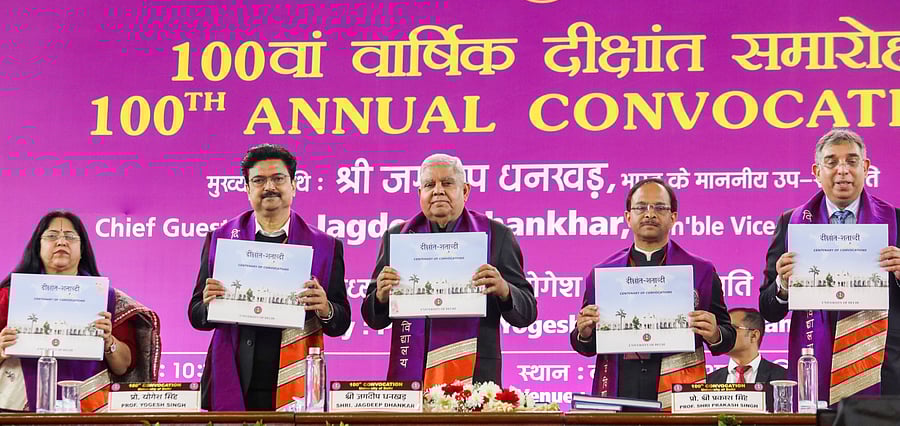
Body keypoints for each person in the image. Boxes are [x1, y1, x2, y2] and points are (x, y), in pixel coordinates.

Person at [189, 144, 350, 411]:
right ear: (247, 189)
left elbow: (341, 323)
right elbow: (195, 315)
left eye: (278, 179)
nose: (269, 187)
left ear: (294, 185)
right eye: (259, 180)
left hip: (296, 377)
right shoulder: (221, 239)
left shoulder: (326, 246)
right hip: (235, 378)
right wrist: (208, 304)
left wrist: (325, 308)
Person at [361, 153, 537, 386]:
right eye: (429, 185)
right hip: (413, 375)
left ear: (465, 191)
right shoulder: (396, 238)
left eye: (447, 183)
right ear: (419, 194)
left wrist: (505, 290)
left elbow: (527, 313)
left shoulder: (497, 236)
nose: (438, 191)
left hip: (476, 378)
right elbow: (372, 318)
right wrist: (381, 297)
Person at [759, 129, 900, 405]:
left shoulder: (895, 220)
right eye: (832, 162)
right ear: (817, 170)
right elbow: (768, 309)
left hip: (884, 369)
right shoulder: (792, 223)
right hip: (815, 364)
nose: (842, 171)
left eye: (851, 161)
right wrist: (783, 285)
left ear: (866, 167)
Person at [571, 178, 736, 409]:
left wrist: (715, 333)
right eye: (641, 207)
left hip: (678, 386)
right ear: (628, 217)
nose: (650, 214)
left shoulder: (701, 271)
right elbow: (584, 345)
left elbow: (727, 338)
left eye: (659, 207)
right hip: (620, 385)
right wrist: (585, 332)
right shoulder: (603, 273)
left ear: (673, 217)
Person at [0, 210, 160, 412]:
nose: (61, 242)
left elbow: (123, 367)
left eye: (70, 236)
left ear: (82, 248)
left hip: (89, 411)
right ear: (37, 246)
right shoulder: (9, 296)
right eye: (51, 236)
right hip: (16, 409)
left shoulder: (108, 299)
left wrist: (109, 342)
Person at [707, 308, 786, 384]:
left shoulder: (782, 378)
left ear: (753, 336)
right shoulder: (710, 381)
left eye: (731, 328)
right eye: (722, 329)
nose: (724, 334)